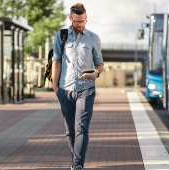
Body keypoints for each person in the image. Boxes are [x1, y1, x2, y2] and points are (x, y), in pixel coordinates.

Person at [51, 3, 104, 170]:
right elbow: (56, 61)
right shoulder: (61, 36)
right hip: (65, 90)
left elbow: (100, 63)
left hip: (86, 89)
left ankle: (77, 164)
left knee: (82, 128)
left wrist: (97, 73)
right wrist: (55, 88)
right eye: (77, 21)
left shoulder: (93, 38)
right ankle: (76, 159)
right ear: (70, 19)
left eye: (83, 21)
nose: (80, 24)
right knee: (70, 131)